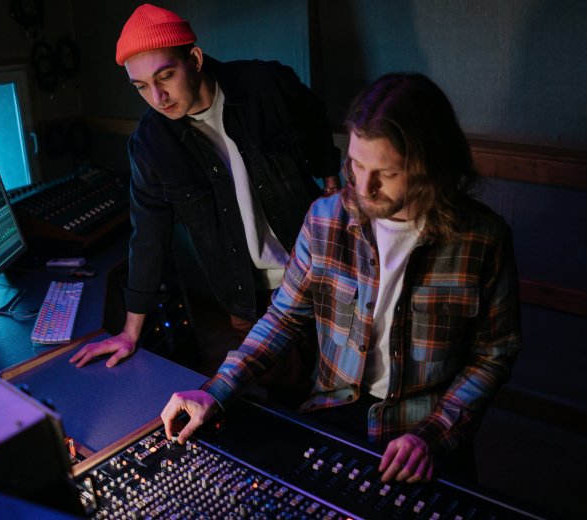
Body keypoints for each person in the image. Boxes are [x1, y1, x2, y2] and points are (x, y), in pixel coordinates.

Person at [161, 72, 523, 484]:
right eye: (356, 164)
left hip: (424, 428)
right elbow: (283, 318)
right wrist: (217, 389)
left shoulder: (484, 239)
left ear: (430, 166)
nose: (363, 188)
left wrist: (434, 435)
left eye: (385, 173)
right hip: (334, 409)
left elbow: (492, 355)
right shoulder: (325, 218)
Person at [70, 4, 341, 406]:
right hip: (248, 300)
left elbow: (315, 117)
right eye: (141, 86)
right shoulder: (150, 145)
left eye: (165, 76)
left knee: (344, 393)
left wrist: (331, 186)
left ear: (193, 59)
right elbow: (148, 237)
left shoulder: (266, 83)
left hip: (320, 274)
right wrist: (130, 332)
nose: (157, 97)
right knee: (290, 403)